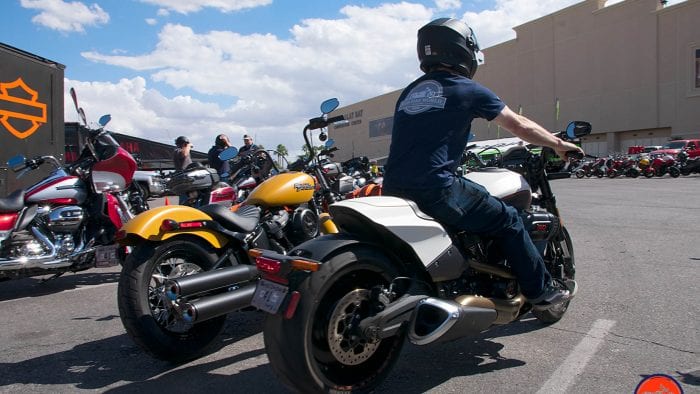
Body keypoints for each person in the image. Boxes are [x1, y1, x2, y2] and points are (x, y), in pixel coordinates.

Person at [382, 18, 584, 310]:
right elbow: (519, 125)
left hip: (394, 188)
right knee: (509, 220)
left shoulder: (411, 92)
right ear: (463, 50)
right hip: (436, 188)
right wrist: (559, 144)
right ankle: (541, 293)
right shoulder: (466, 89)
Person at [173, 136, 193, 204]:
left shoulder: (183, 150)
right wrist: (188, 146)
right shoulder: (177, 150)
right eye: (186, 144)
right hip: (182, 178)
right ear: (184, 144)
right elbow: (184, 154)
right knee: (184, 199)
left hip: (186, 177)